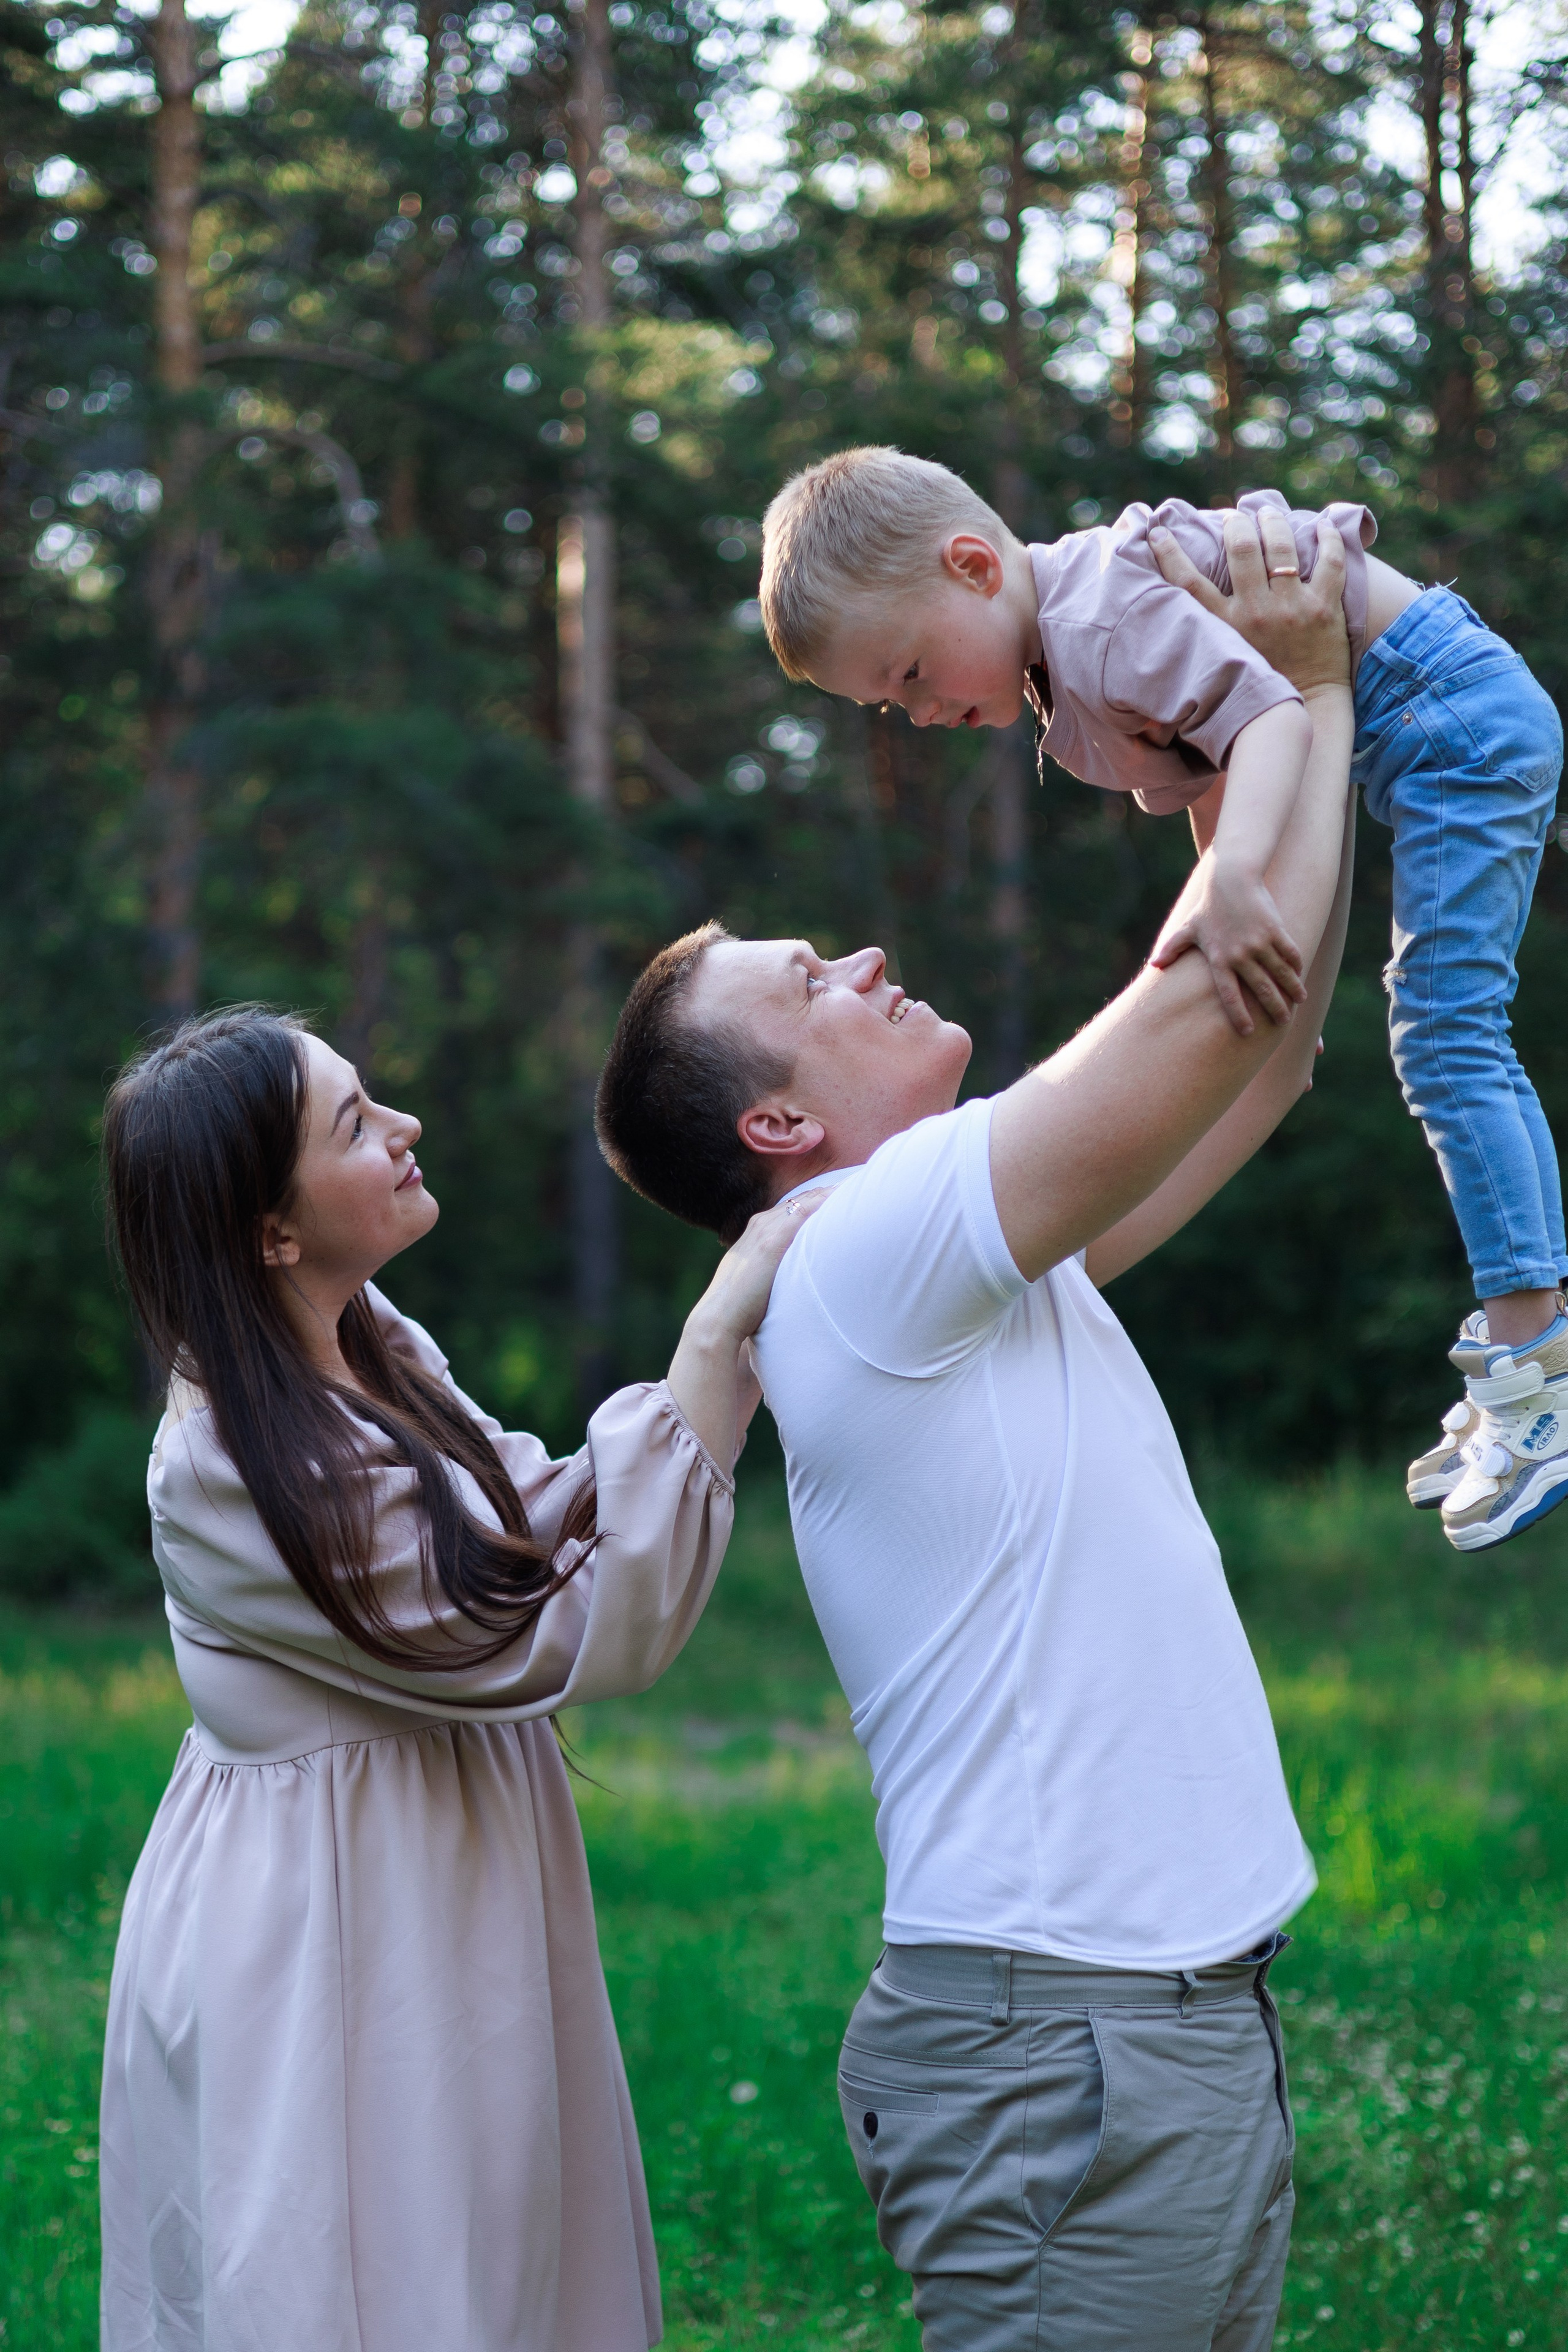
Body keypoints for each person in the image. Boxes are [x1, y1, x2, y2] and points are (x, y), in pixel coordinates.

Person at [594, 521, 1353, 2351]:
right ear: (779, 1130)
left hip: (1136, 2021)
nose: (862, 959)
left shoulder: (969, 1264)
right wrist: (1304, 696)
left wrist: (1228, 769)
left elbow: (1262, 1052)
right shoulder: (875, 1243)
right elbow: (1205, 1005)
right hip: (1065, 2037)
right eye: (808, 985)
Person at [97, 1005, 815, 2352]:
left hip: (434, 1875)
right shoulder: (226, 1465)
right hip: (333, 1925)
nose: (404, 1127)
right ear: (272, 1233)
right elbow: (552, 1624)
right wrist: (715, 1338)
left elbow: (526, 1520)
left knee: (500, 2249)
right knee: (379, 2276)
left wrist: (731, 1350)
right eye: (355, 1126)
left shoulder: (364, 1334)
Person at [758, 445, 1568, 1551]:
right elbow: (1223, 771)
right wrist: (1247, 964)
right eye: (889, 706)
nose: (920, 712)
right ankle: (1528, 1354)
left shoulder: (1096, 621)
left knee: (1447, 1033)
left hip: (1452, 719)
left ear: (974, 567)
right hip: (1412, 730)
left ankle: (1536, 1364)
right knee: (1432, 1029)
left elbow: (1274, 723)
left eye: (908, 675)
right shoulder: (1067, 660)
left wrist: (1234, 881)